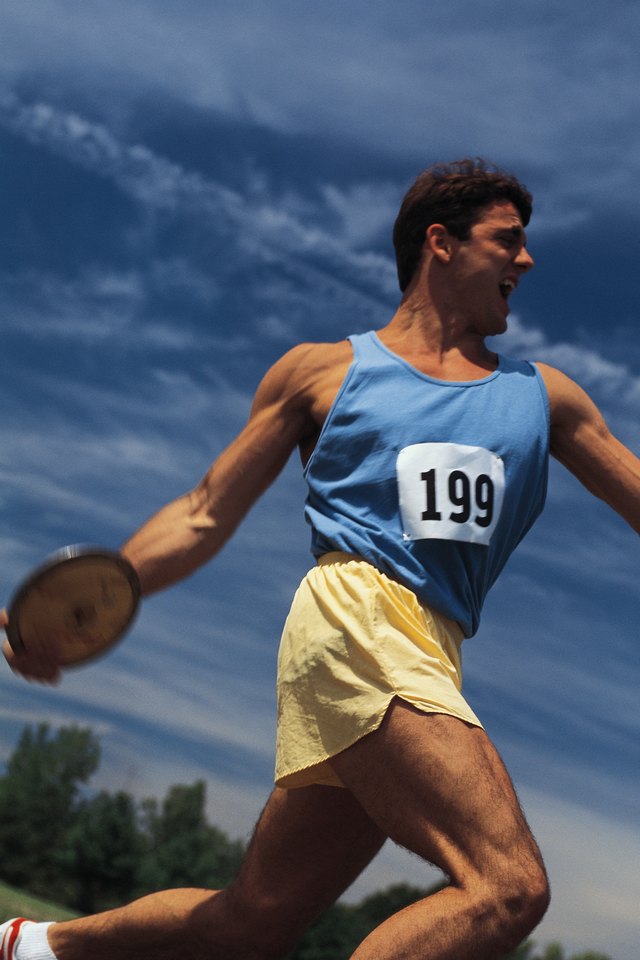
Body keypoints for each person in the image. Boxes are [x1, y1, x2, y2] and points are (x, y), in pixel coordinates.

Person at [2, 158, 639, 960]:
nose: (528, 260)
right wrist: (84, 606)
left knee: (253, 922)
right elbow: (203, 513)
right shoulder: (324, 372)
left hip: (432, 649)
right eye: (508, 240)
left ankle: (32, 947)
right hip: (356, 621)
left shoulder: (544, 398)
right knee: (508, 885)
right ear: (439, 243)